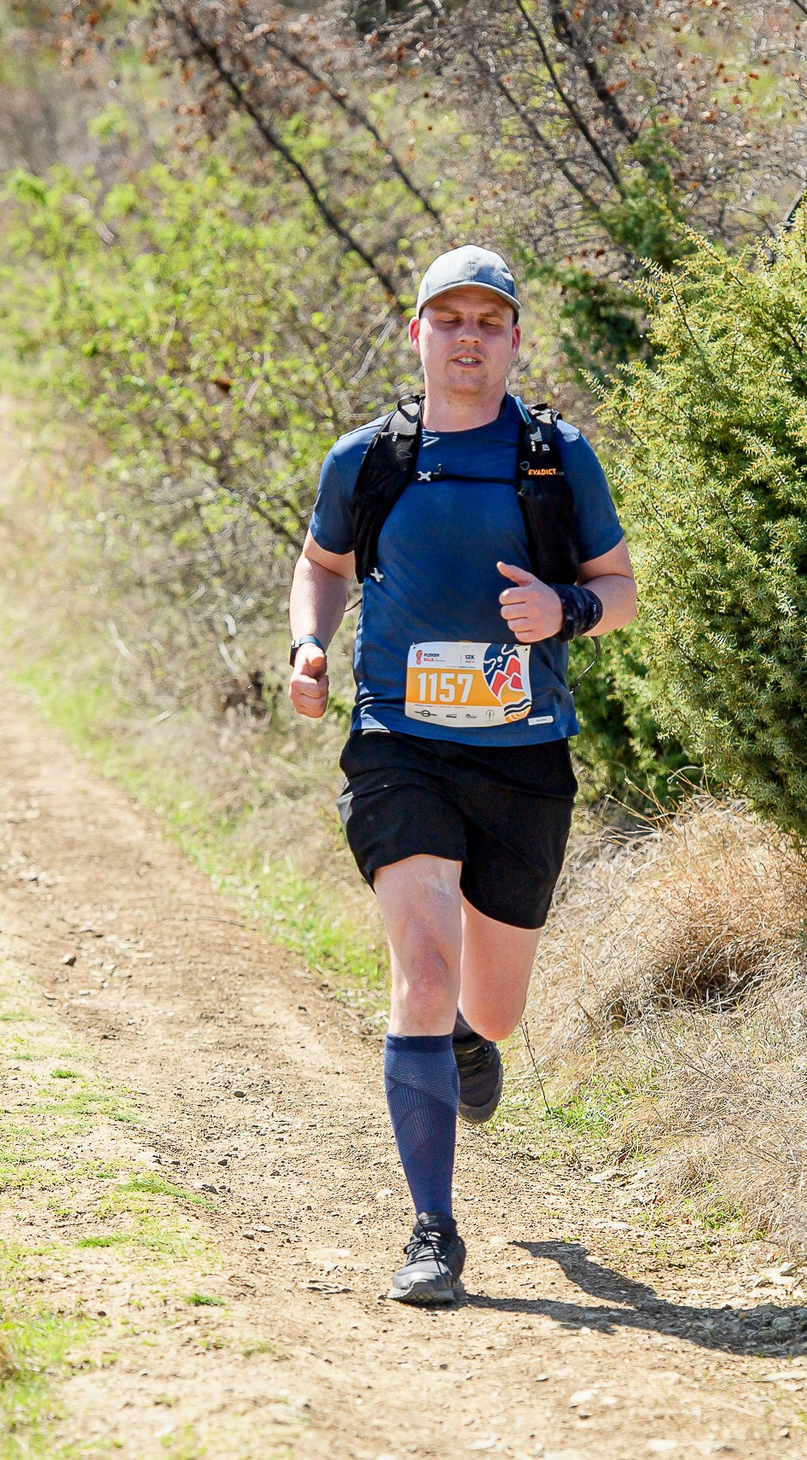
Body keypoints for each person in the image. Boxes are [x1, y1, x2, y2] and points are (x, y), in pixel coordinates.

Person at [288, 244, 638, 1306]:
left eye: (490, 320)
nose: (469, 337)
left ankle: (465, 1043)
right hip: (399, 745)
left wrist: (564, 612)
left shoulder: (554, 457)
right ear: (418, 335)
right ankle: (432, 1231)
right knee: (423, 971)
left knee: (489, 1004)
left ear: (516, 340)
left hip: (523, 758)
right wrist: (308, 646)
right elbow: (323, 565)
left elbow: (616, 588)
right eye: (449, 319)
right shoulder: (369, 459)